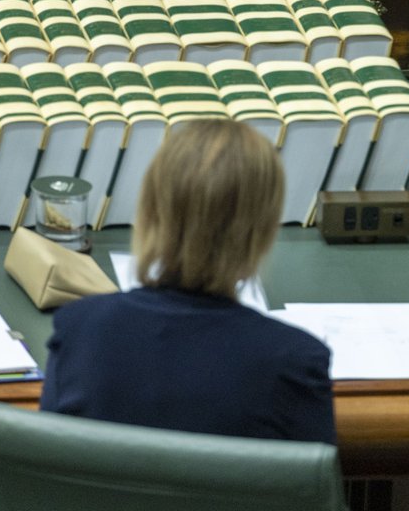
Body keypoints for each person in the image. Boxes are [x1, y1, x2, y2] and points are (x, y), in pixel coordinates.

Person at [40, 119, 336, 444]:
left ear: (149, 213)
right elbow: (310, 489)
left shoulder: (80, 331)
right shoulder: (295, 363)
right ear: (263, 232)